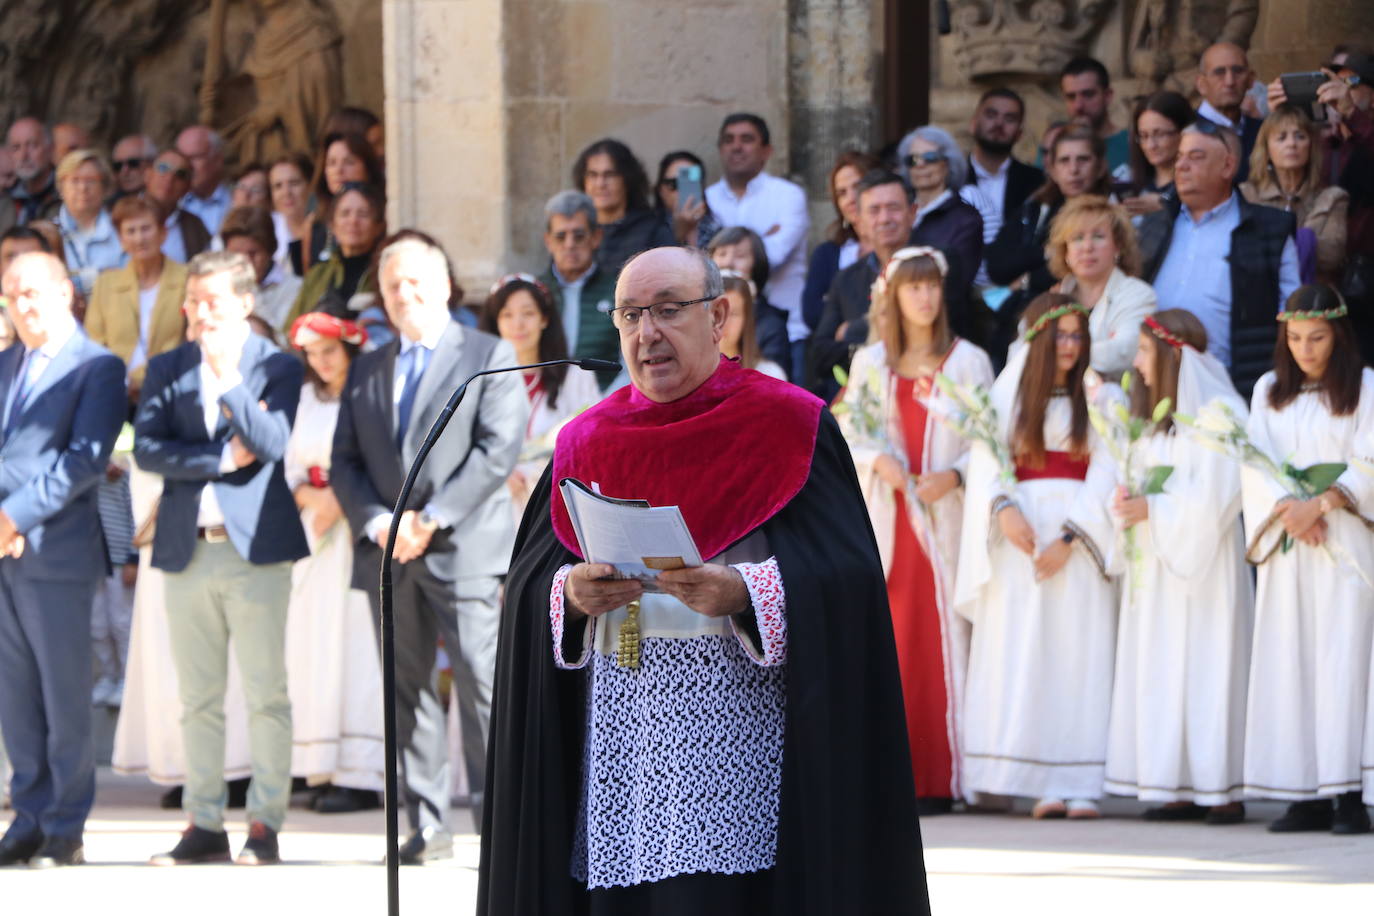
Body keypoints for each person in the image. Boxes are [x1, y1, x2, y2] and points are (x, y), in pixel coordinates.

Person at [478, 245, 929, 913]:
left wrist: (748, 595)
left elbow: (849, 579)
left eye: (667, 311)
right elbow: (528, 584)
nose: (646, 333)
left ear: (718, 316)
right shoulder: (587, 440)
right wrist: (568, 597)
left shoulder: (789, 424)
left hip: (746, 746)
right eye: (630, 315)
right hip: (620, 745)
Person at [330, 234, 528, 864]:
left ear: (444, 285)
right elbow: (345, 460)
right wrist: (377, 523)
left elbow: (497, 450)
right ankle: (427, 825)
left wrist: (431, 519)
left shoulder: (488, 353)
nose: (404, 294)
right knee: (406, 689)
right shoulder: (367, 365)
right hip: (387, 554)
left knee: (482, 685)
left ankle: (501, 826)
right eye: (393, 286)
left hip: (463, 549)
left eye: (416, 281)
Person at [136, 250, 309, 866]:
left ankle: (264, 823)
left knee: (266, 692)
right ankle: (203, 822)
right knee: (197, 696)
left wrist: (228, 379)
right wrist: (212, 461)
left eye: (211, 300)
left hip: (255, 550)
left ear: (243, 303)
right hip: (187, 548)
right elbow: (150, 451)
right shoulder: (166, 366)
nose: (198, 311)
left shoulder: (277, 367)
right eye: (192, 300)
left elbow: (271, 444)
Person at [838, 246, 994, 813]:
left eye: (932, 287)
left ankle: (945, 775)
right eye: (913, 287)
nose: (925, 297)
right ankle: (894, 777)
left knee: (945, 640)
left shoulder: (969, 361)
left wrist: (953, 475)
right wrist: (879, 459)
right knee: (896, 641)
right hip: (890, 518)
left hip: (945, 520)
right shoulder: (871, 363)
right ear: (894, 297)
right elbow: (849, 433)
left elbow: (991, 441)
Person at [955, 293, 1118, 820]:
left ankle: (1079, 781)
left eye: (1078, 335)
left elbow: (1111, 467)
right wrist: (1003, 508)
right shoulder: (1008, 397)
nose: (1070, 345)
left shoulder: (1101, 397)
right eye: (1061, 335)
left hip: (1077, 541)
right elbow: (987, 456)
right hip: (1019, 539)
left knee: (1077, 653)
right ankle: (1037, 779)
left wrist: (1073, 537)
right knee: (1025, 650)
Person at [0, 251, 125, 868]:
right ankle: (26, 816)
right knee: (15, 696)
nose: (23, 306)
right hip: (2, 553)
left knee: (63, 693)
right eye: (12, 297)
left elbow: (82, 461)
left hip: (56, 551)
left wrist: (12, 516)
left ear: (65, 293)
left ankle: (64, 824)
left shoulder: (98, 366)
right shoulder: (4, 365)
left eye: (33, 293)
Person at [1103, 309, 1251, 825]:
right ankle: (1176, 785)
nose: (1137, 364)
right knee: (1163, 667)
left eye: (1144, 352)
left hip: (1206, 569)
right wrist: (1122, 502)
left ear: (1170, 354)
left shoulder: (1220, 415)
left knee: (1209, 665)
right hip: (1159, 568)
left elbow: (1218, 496)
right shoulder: (1151, 425)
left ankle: (1220, 788)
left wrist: (1156, 508)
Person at [1241, 284, 1373, 835]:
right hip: (1291, 546)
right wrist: (1288, 511)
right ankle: (1304, 791)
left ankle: (1347, 792)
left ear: (1338, 335)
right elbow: (1254, 460)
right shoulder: (1270, 390)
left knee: (1344, 662)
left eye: (1316, 337)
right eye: (1294, 338)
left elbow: (1369, 456)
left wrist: (1324, 502)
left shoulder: (1365, 387)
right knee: (1291, 660)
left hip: (1346, 545)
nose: (1305, 349)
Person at [282, 311, 385, 814]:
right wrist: (310, 498)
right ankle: (316, 762)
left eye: (330, 351)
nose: (323, 363)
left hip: (357, 529)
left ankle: (361, 771)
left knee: (358, 647)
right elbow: (291, 463)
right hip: (315, 530)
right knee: (313, 646)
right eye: (313, 354)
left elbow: (380, 459)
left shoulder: (369, 393)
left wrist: (343, 503)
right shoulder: (305, 398)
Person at [1138, 122, 1301, 398]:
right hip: (1155, 380)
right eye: (1179, 156)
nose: (1181, 165)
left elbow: (1292, 311)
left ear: (1228, 167)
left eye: (1196, 157)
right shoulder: (1153, 225)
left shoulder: (1270, 229)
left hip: (1232, 386)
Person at [986, 127, 1111, 367]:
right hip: (1016, 327)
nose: (1073, 169)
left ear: (1100, 166)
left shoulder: (1111, 214)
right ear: (1052, 169)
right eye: (1064, 161)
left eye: (1083, 159)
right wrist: (1047, 252)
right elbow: (997, 265)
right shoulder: (1036, 209)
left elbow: (1078, 273)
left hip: (1077, 331)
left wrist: (1027, 278)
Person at [478, 274, 602, 516]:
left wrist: (532, 473)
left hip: (555, 506)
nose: (518, 325)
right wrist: (497, 475)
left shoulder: (576, 377)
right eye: (507, 315)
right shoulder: (479, 380)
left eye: (528, 313)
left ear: (544, 319)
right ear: (496, 322)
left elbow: (592, 443)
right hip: (495, 511)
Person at [706, 113, 811, 381]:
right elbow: (703, 268)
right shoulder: (706, 198)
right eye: (729, 140)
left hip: (784, 331)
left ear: (767, 151)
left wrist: (742, 245)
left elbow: (770, 255)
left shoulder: (788, 195)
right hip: (719, 332)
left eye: (747, 139)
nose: (736, 146)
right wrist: (762, 235)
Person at [809, 171, 917, 396]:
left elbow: (925, 331)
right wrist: (866, 353)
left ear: (912, 213)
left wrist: (853, 329)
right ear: (860, 220)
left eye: (894, 208)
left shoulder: (935, 265)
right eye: (874, 210)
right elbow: (820, 353)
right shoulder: (846, 279)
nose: (885, 218)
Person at [84, 196, 189, 401]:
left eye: (146, 228)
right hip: (114, 392)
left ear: (163, 233)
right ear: (121, 240)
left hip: (171, 391)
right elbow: (94, 345)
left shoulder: (187, 279)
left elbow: (186, 343)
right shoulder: (106, 284)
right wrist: (121, 381)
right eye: (131, 231)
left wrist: (142, 379)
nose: (139, 238)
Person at [1046, 195, 1157, 378]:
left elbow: (1125, 350)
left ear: (1118, 246)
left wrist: (1052, 353)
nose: (1087, 247)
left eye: (1098, 236)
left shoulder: (1139, 294)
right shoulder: (1052, 298)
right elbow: (1022, 349)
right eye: (1077, 238)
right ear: (1065, 251)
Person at [1240, 104, 1350, 285]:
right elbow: (1242, 251)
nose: (1291, 144)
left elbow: (1332, 255)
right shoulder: (1247, 194)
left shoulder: (1333, 197)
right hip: (1259, 300)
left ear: (1311, 147)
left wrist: (1270, 240)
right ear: (1267, 150)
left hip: (1314, 305)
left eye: (1300, 136)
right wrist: (1304, 239)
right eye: (1281, 138)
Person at [896, 125, 985, 341]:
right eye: (913, 160)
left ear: (947, 164)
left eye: (930, 157)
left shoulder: (966, 218)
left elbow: (957, 283)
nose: (921, 165)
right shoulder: (899, 214)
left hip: (946, 332)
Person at [537, 190, 621, 389]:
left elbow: (629, 364)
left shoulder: (618, 291)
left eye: (579, 235)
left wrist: (602, 406)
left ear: (596, 237)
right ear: (548, 241)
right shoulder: (536, 292)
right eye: (560, 236)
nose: (570, 245)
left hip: (604, 403)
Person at [573, 138, 675, 278]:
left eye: (609, 175)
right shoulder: (574, 232)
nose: (600, 184)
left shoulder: (653, 230)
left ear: (627, 179)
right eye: (592, 175)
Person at [802, 150, 880, 332]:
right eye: (842, 193)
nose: (851, 199)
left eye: (858, 187)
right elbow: (812, 314)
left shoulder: (898, 246)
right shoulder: (827, 254)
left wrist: (849, 326)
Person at [287, 182, 385, 327]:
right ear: (332, 225)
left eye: (363, 214)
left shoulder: (384, 272)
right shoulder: (318, 274)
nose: (353, 221)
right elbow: (290, 329)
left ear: (379, 226)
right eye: (345, 214)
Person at [707, 225, 791, 375]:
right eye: (722, 254)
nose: (728, 262)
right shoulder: (694, 308)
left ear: (756, 265)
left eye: (740, 256)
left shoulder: (771, 324)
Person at [965, 88, 1044, 241]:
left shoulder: (1037, 182)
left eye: (1009, 119)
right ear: (973, 124)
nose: (999, 123)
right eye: (991, 115)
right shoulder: (952, 178)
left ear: (1020, 133)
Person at [220, 205, 303, 333]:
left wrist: (251, 292)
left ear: (270, 250)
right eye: (236, 254)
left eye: (253, 253)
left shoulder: (297, 289)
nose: (245, 262)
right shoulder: (218, 290)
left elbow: (283, 342)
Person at [54, 149, 124, 298]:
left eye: (91, 181)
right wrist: (101, 275)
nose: (83, 188)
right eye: (75, 180)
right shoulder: (49, 233)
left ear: (105, 188)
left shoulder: (122, 229)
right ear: (61, 187)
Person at [1118, 91, 1193, 218]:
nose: (1151, 145)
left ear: (1183, 132)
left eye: (1160, 134)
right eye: (1143, 136)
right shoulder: (1126, 179)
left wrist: (1167, 204)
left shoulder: (1200, 181)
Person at [1195, 42, 1262, 182]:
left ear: (1251, 80)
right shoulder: (1184, 130)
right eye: (1219, 72)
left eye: (1237, 71)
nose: (1230, 81)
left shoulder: (1264, 132)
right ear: (1201, 84)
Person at [1059, 57, 1130, 173]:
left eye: (1088, 95)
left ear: (1108, 96)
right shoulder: (1054, 146)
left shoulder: (1132, 144)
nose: (1078, 106)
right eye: (1071, 97)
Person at [143, 149, 211, 265]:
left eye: (180, 174)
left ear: (188, 187)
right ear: (147, 175)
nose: (169, 178)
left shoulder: (195, 227)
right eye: (163, 168)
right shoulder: (118, 215)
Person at [718, 269, 787, 380]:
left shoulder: (769, 375)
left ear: (747, 319)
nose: (724, 321)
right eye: (718, 312)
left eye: (734, 314)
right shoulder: (688, 373)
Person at [269, 152, 326, 277]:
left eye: (294, 183)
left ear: (310, 186)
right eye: (278, 186)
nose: (286, 192)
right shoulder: (267, 230)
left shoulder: (327, 228)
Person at [652, 150, 720, 249]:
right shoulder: (647, 230)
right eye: (674, 183)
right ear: (661, 190)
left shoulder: (717, 230)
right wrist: (678, 234)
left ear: (701, 187)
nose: (681, 190)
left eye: (689, 183)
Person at [174, 126, 232, 236]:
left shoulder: (237, 199)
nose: (187, 165)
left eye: (194, 158)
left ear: (217, 159)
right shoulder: (170, 203)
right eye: (182, 158)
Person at [6, 118, 60, 224]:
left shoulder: (69, 194)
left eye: (32, 145)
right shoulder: (5, 197)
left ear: (50, 149)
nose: (24, 156)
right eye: (16, 147)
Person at [110, 135, 157, 202]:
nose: (124, 171)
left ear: (151, 164)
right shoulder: (108, 205)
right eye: (118, 166)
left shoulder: (165, 203)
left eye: (133, 163)